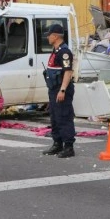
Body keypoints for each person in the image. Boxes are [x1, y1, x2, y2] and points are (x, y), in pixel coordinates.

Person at [41, 23, 76, 158]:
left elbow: (68, 72)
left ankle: (68, 147)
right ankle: (57, 144)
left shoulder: (64, 52)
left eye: (49, 35)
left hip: (61, 89)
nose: (48, 38)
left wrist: (62, 90)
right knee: (55, 117)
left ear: (55, 36)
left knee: (64, 117)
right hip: (53, 89)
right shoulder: (56, 50)